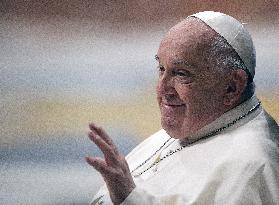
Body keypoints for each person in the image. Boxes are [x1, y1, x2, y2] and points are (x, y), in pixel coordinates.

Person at [86, 11, 279, 205]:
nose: (162, 89)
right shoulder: (200, 125)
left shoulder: (253, 166)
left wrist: (130, 199)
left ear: (232, 87)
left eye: (181, 73)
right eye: (161, 69)